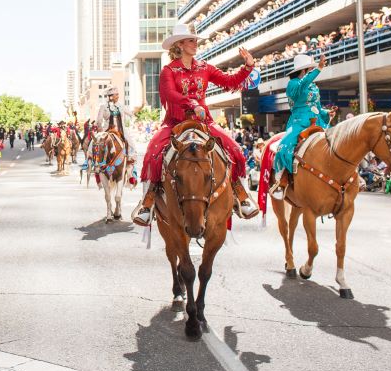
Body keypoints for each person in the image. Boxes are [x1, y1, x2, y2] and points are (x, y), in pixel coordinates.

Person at [133, 23, 258, 226]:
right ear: (180, 44)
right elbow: (170, 94)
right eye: (191, 40)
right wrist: (190, 103)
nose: (195, 43)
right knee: (152, 152)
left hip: (204, 122)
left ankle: (240, 194)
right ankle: (148, 200)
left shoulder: (205, 67)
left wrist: (248, 67)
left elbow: (230, 81)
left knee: (235, 150)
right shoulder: (168, 71)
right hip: (176, 122)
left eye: (195, 40)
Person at [271, 53, 336, 199]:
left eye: (313, 69)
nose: (312, 71)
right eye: (310, 69)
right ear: (305, 70)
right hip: (299, 121)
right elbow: (303, 84)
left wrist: (326, 113)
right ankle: (280, 180)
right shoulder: (293, 84)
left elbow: (317, 107)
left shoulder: (313, 86)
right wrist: (318, 69)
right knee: (283, 147)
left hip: (317, 120)